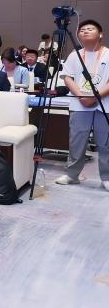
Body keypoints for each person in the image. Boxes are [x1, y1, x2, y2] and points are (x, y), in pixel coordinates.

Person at [55, 19, 109, 191]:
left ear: (100, 35)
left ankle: (107, 177)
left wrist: (94, 97)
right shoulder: (75, 55)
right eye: (82, 29)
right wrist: (81, 96)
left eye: (90, 29)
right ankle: (72, 175)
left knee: (105, 142)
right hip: (79, 104)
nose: (85, 31)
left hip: (104, 104)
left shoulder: (108, 54)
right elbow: (67, 77)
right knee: (77, 140)